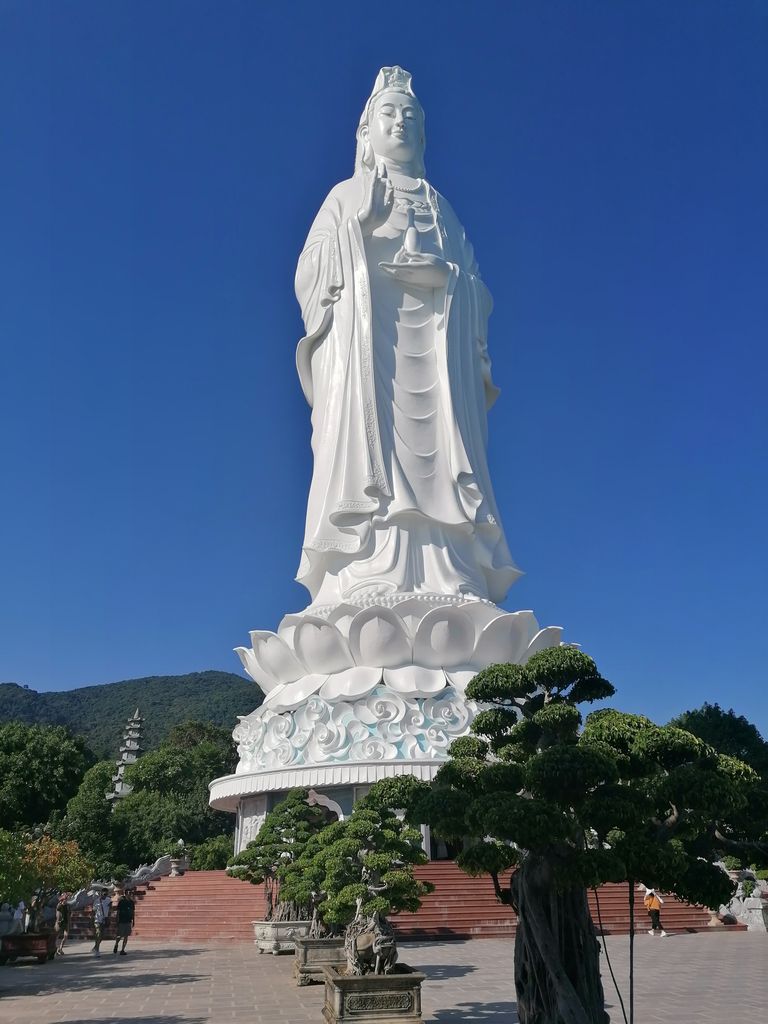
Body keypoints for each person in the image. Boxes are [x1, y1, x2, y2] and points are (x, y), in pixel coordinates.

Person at [294, 66, 521, 607]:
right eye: (389, 113)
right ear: (366, 131)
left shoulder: (443, 210)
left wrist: (448, 280)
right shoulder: (346, 196)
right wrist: (357, 226)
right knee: (369, 454)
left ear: (423, 132)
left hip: (437, 362)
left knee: (441, 461)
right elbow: (308, 273)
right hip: (368, 356)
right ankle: (365, 567)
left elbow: (478, 288)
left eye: (411, 115)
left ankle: (452, 569)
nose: (400, 123)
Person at [113, 889, 135, 955]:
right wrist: (117, 920)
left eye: (130, 893)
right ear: (125, 894)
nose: (129, 894)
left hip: (128, 920)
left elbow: (133, 912)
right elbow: (118, 911)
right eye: (128, 893)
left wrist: (133, 920)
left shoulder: (131, 902)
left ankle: (122, 950)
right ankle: (116, 944)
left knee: (126, 936)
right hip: (122, 920)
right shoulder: (121, 902)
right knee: (119, 935)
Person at [91, 889, 112, 958]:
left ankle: (95, 947)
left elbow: (110, 909)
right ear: (101, 893)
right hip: (97, 920)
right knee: (98, 934)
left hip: (104, 920)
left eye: (106, 894)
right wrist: (91, 919)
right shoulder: (96, 901)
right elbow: (93, 911)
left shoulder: (109, 900)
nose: (105, 895)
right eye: (104, 894)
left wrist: (109, 917)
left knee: (102, 936)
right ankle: (97, 951)